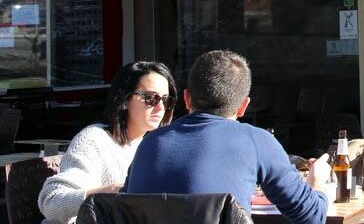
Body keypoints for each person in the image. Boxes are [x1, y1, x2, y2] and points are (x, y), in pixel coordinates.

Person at [125, 50, 331, 224]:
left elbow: (126, 204)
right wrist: (317, 181)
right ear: (243, 106)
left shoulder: (149, 142)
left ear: (187, 99)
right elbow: (311, 216)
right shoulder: (256, 141)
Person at [38, 61, 177, 224]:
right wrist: (106, 194)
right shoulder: (95, 141)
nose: (160, 107)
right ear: (125, 100)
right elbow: (51, 201)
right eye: (151, 98)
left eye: (166, 100)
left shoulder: (155, 145)